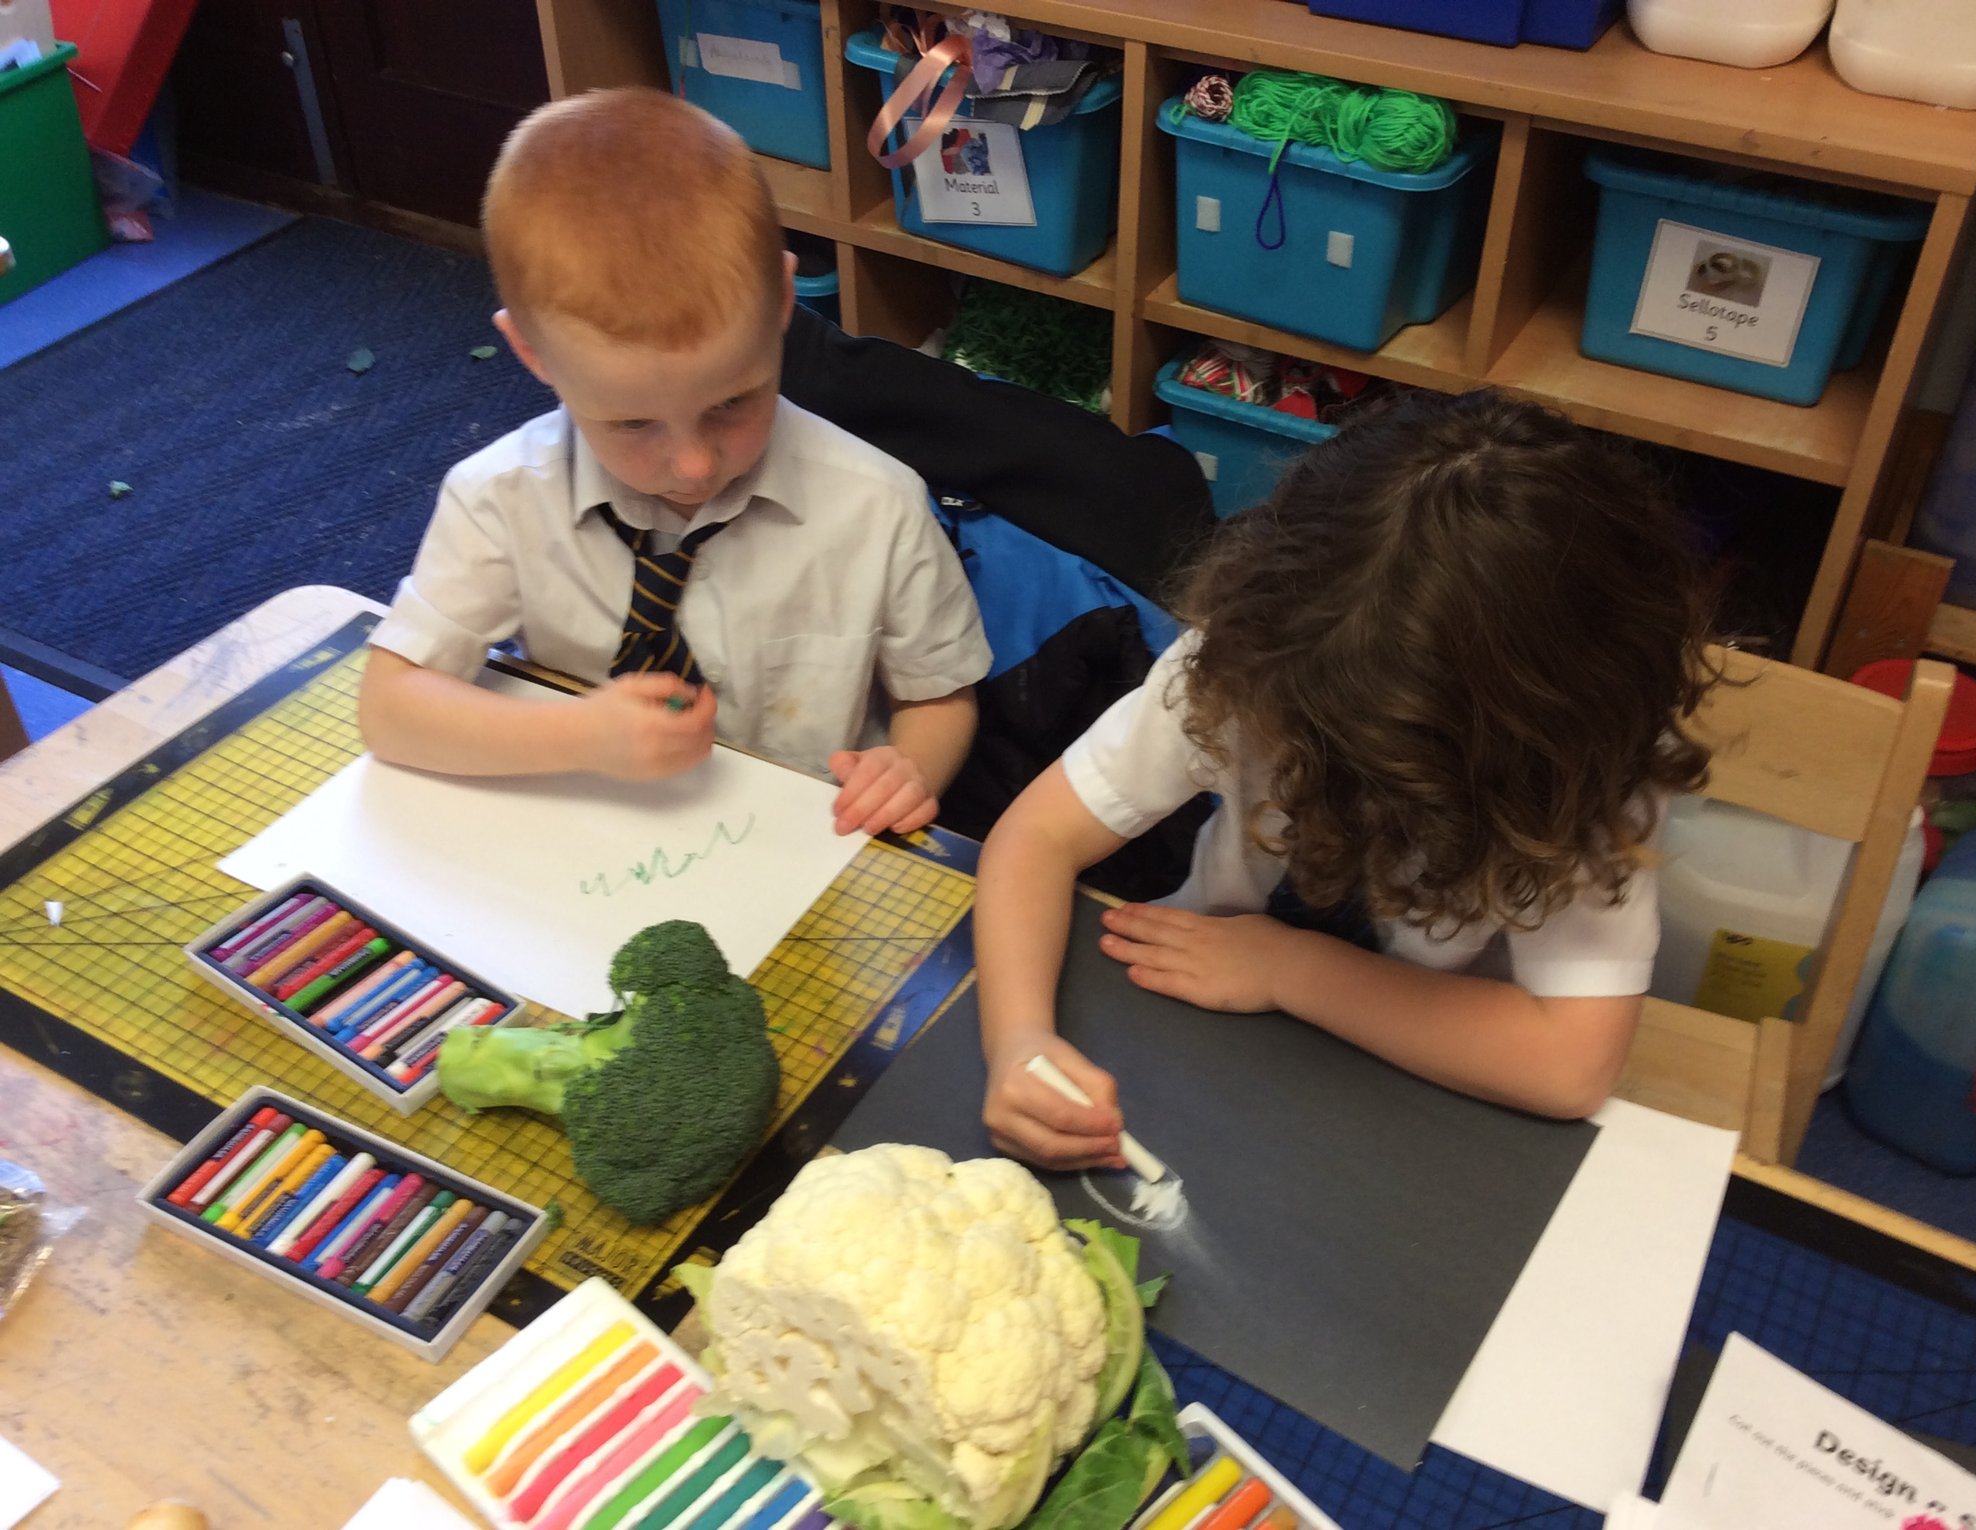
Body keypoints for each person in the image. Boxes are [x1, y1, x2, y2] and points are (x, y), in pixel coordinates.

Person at [975, 389, 1716, 1169]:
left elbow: (1571, 1068)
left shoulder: (1591, 771)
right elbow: (1038, 836)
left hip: (1432, 1069)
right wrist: (1018, 1037)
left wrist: (1289, 968)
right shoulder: (1242, 667)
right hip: (1211, 1023)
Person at [357, 91, 991, 837]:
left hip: (802, 845)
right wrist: (579, 736)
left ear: (785, 301)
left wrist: (909, 769)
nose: (692, 464)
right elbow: (391, 707)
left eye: (732, 403)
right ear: (532, 355)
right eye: (629, 423)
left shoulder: (876, 505)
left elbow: (938, 695)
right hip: (592, 835)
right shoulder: (499, 499)